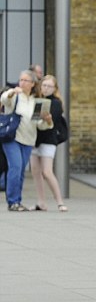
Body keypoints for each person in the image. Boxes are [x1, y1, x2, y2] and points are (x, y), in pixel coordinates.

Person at [1, 69, 53, 211]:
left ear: (32, 84)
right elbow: (4, 99)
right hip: (12, 138)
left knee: (20, 171)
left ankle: (18, 201)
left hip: (28, 140)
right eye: (21, 80)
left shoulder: (35, 102)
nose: (22, 83)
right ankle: (12, 202)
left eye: (25, 80)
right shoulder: (15, 97)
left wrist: (47, 121)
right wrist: (12, 92)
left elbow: (38, 124)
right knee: (15, 167)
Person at [29, 74, 68, 212]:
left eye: (49, 86)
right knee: (35, 171)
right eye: (44, 85)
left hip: (48, 141)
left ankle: (60, 201)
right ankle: (41, 202)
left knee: (47, 171)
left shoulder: (56, 103)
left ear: (54, 88)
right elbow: (33, 121)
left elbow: (53, 122)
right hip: (35, 141)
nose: (46, 88)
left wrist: (47, 119)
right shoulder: (38, 101)